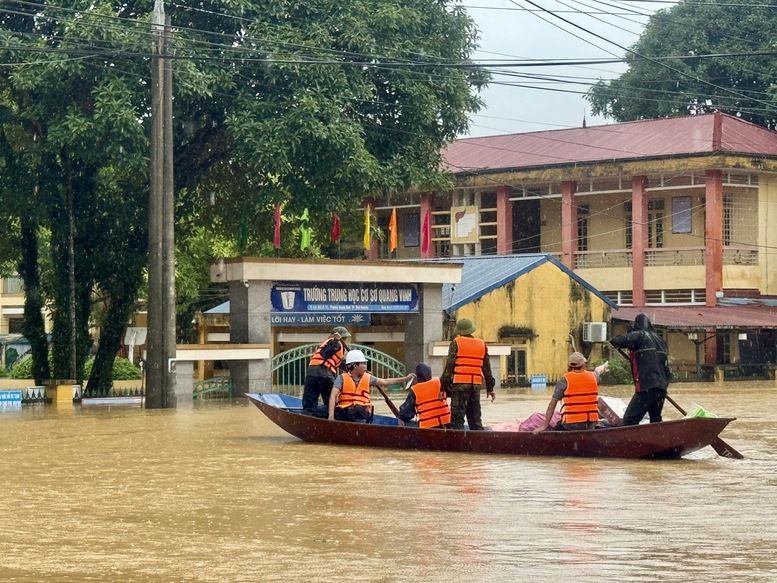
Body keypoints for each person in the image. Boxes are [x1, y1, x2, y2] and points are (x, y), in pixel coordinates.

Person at [610, 313, 672, 425]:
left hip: (646, 386)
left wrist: (628, 333)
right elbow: (666, 369)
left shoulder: (639, 335)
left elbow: (616, 341)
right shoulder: (660, 340)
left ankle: (630, 442)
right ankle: (657, 440)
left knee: (630, 419)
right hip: (661, 388)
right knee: (655, 419)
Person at [328, 349, 414, 423]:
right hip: (345, 412)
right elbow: (333, 396)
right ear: (355, 366)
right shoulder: (341, 378)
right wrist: (331, 416)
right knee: (332, 411)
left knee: (358, 409)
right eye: (363, 364)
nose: (365, 367)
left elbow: (386, 381)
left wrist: (405, 379)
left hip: (362, 413)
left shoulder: (368, 378)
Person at [440, 318, 495, 430]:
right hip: (475, 386)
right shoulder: (481, 344)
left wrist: (442, 388)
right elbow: (487, 369)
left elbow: (449, 368)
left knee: (457, 419)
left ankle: (457, 443)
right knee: (475, 418)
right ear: (471, 330)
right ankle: (478, 442)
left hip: (460, 385)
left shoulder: (456, 343)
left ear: (459, 331)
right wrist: (490, 388)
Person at [534, 352, 609, 432]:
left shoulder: (564, 380)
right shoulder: (593, 376)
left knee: (557, 427)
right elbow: (598, 370)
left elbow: (552, 405)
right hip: (591, 424)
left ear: (568, 367)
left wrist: (545, 426)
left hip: (571, 425)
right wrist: (604, 367)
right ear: (583, 365)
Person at [302, 326, 350, 416]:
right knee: (331, 401)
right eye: (345, 338)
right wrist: (334, 342)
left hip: (312, 373)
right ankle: (328, 416)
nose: (346, 340)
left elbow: (341, 364)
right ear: (343, 337)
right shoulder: (335, 343)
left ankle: (310, 413)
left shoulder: (331, 345)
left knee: (309, 402)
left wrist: (360, 372)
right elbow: (325, 353)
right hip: (323, 374)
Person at [397, 363, 451, 428]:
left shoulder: (415, 390)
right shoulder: (439, 382)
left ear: (418, 376)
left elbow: (407, 411)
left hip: (427, 426)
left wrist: (401, 418)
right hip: (446, 424)